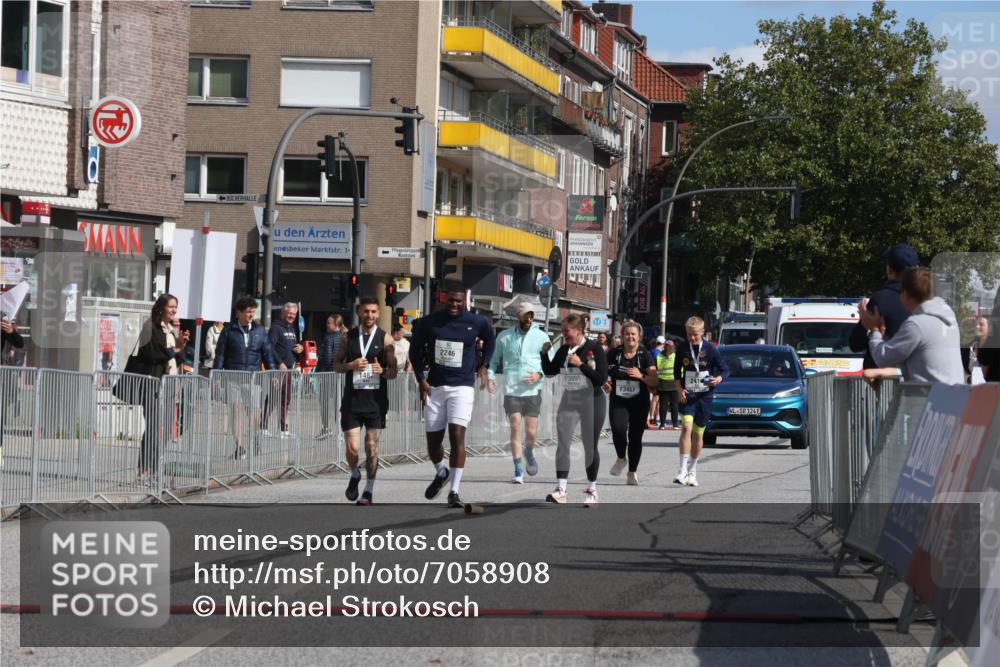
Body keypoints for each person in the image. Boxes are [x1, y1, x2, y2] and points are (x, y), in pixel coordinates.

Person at [409, 284, 496, 508]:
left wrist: (484, 365)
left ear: (464, 301)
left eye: (459, 301)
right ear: (443, 299)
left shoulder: (476, 322)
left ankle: (454, 492)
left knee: (457, 436)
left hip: (462, 387)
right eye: (451, 300)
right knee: (433, 442)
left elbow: (491, 340)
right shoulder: (430, 322)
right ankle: (442, 472)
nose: (455, 305)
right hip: (435, 387)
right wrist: (421, 379)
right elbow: (414, 351)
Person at [333, 297, 397, 505]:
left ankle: (369, 490)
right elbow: (336, 365)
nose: (369, 315)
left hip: (375, 402)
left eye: (373, 312)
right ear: (359, 312)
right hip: (352, 400)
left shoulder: (386, 339)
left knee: (371, 446)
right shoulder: (347, 337)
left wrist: (384, 370)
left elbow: (394, 371)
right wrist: (350, 365)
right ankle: (355, 473)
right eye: (366, 311)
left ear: (378, 314)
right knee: (352, 449)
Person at [540, 314, 608, 507]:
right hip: (569, 400)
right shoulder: (563, 349)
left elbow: (601, 378)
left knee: (589, 446)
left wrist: (582, 365)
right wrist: (544, 354)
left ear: (578, 331)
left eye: (566, 331)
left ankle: (592, 490)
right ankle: (561, 490)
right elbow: (551, 371)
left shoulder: (594, 348)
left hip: (592, 401)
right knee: (563, 443)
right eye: (563, 331)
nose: (564, 335)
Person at [859, 266, 964, 384]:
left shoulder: (916, 325)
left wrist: (874, 330)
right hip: (955, 396)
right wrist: (885, 339)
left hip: (930, 398)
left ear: (906, 294)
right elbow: (920, 356)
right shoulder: (948, 318)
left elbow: (882, 358)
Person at [487, 302, 549, 483]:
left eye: (532, 315)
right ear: (518, 315)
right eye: (526, 315)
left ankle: (529, 451)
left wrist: (539, 374)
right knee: (515, 427)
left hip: (532, 390)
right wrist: (490, 376)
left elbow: (550, 363)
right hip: (512, 390)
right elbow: (494, 360)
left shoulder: (542, 337)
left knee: (530, 432)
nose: (529, 318)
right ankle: (518, 470)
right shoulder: (504, 337)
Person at [130, 294, 189, 481]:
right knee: (154, 428)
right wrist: (175, 352)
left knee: (165, 430)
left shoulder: (170, 330)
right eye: (171, 307)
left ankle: (155, 469)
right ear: (161, 307)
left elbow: (173, 356)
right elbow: (153, 354)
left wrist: (180, 345)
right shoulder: (150, 327)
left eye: (176, 308)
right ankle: (143, 470)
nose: (174, 310)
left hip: (170, 384)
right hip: (154, 383)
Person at [214, 296, 277, 459]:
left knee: (254, 413)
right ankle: (240, 447)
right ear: (238, 313)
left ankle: (255, 440)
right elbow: (220, 354)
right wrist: (217, 374)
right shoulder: (228, 330)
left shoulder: (260, 331)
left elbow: (267, 353)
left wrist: (272, 373)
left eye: (253, 312)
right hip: (233, 376)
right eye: (248, 312)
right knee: (236, 412)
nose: (251, 315)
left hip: (252, 378)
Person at [674, 316, 729, 487]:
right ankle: (682, 470)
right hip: (688, 395)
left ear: (702, 332)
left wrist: (718, 379)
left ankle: (692, 471)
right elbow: (677, 371)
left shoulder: (711, 349)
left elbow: (725, 369)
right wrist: (679, 389)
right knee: (686, 427)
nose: (692, 338)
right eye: (689, 334)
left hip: (704, 396)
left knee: (698, 434)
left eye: (695, 335)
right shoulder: (683, 347)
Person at [849, 243, 919, 368]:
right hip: (919, 378)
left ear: (890, 270)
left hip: (884, 378)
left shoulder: (881, 299)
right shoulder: (926, 301)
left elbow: (855, 344)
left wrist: (868, 327)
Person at [604, 320, 657, 486]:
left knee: (635, 437)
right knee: (618, 430)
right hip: (619, 399)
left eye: (633, 334)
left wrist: (641, 376)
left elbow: (654, 381)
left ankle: (632, 471)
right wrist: (604, 381)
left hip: (639, 401)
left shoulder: (644, 355)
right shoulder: (614, 353)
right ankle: (621, 457)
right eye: (627, 334)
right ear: (622, 336)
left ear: (639, 337)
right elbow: (602, 371)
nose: (630, 337)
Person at [265, 303, 303, 438]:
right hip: (278, 369)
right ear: (283, 313)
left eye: (294, 314)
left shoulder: (292, 329)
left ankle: (283, 429)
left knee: (286, 399)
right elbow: (269, 347)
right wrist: (279, 363)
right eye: (289, 313)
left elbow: (292, 347)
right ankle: (263, 426)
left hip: (288, 370)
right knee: (273, 398)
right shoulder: (275, 328)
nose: (292, 316)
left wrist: (300, 349)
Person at [314, 314, 345, 440]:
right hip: (341, 374)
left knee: (325, 402)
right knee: (339, 403)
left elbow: (327, 357)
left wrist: (318, 373)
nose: (326, 325)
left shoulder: (329, 338)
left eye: (329, 323)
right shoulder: (344, 338)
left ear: (336, 325)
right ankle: (341, 431)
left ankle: (326, 428)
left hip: (328, 375)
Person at [656, 339, 679, 430]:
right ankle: (674, 424)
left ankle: (664, 424)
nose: (669, 347)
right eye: (668, 345)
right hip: (669, 383)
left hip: (666, 383)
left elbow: (657, 368)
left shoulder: (660, 356)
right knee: (671, 405)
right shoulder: (675, 355)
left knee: (665, 405)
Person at [647, 335, 666, 427]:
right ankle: (652, 418)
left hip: (651, 376)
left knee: (656, 399)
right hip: (657, 377)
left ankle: (655, 417)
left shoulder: (651, 351)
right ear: (663, 344)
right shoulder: (658, 353)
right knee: (656, 398)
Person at [967, 316, 989, 385]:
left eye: (981, 324)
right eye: (976, 324)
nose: (977, 326)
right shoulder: (972, 346)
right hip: (974, 391)